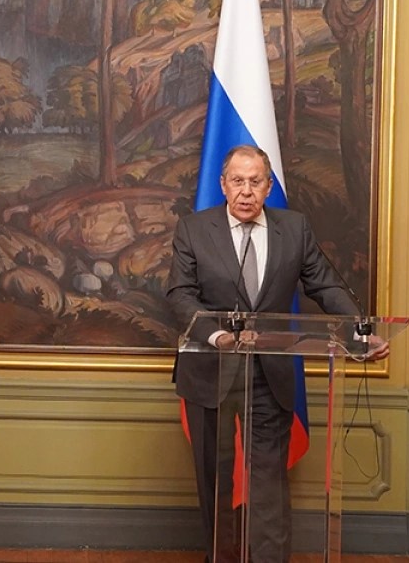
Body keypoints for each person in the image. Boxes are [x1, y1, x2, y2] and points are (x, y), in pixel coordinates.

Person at [166, 145, 387, 563]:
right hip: (210, 370)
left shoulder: (294, 228)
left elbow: (326, 285)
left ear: (269, 187)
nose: (246, 191)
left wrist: (360, 331)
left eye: (255, 182)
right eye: (238, 181)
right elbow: (180, 295)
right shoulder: (193, 229)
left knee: (268, 480)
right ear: (223, 185)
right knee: (214, 479)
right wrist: (217, 336)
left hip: (269, 372)